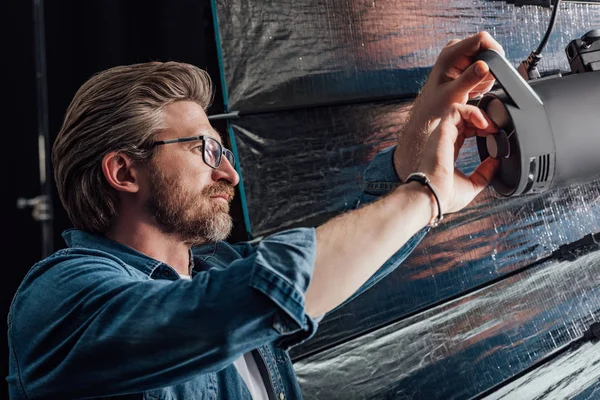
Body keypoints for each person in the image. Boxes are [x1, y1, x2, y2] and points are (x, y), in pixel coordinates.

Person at [7, 32, 503, 399]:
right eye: (206, 150)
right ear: (123, 171)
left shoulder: (218, 268)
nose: (231, 174)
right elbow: (274, 287)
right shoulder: (61, 298)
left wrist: (426, 124)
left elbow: (344, 247)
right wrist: (423, 198)